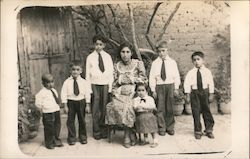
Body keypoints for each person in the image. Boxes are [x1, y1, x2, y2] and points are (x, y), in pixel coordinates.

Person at [105, 42, 148, 148]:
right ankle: (130, 133)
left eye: (127, 52)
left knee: (128, 107)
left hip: (134, 93)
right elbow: (114, 82)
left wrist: (131, 79)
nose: (125, 54)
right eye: (123, 52)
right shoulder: (117, 65)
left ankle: (127, 135)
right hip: (119, 94)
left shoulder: (138, 64)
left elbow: (144, 80)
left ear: (131, 53)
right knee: (115, 106)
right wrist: (116, 90)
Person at [149, 40, 181, 136]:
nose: (161, 53)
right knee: (160, 107)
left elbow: (176, 76)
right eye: (159, 51)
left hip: (170, 85)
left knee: (170, 107)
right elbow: (152, 77)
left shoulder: (172, 62)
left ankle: (170, 127)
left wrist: (176, 88)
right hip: (159, 86)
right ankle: (161, 127)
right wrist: (153, 90)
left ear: (167, 50)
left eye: (163, 50)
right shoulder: (155, 63)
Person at [85, 34, 114, 140]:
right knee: (96, 109)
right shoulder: (90, 58)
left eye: (100, 44)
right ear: (94, 45)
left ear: (104, 45)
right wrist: (89, 90)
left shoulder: (107, 57)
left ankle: (103, 130)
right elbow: (88, 75)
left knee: (104, 108)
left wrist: (110, 88)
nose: (98, 47)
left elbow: (111, 73)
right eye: (96, 44)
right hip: (95, 85)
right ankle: (96, 131)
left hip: (105, 85)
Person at [184, 51, 215, 140]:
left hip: (205, 92)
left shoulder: (207, 72)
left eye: (198, 59)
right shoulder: (191, 72)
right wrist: (187, 94)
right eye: (194, 60)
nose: (196, 62)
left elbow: (211, 83)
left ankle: (209, 129)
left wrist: (211, 94)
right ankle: (198, 131)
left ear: (203, 60)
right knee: (196, 112)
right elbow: (187, 84)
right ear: (192, 62)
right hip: (195, 93)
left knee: (207, 111)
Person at [61, 60, 91, 145]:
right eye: (73, 69)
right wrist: (65, 105)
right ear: (70, 70)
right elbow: (63, 93)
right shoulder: (67, 82)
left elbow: (87, 93)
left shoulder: (84, 82)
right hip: (71, 102)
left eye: (78, 70)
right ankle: (71, 138)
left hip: (81, 102)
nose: (75, 71)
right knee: (70, 121)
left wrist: (87, 104)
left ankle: (83, 137)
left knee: (82, 120)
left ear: (81, 71)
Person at [35, 73, 63, 149]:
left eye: (52, 82)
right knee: (49, 128)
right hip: (47, 113)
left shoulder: (54, 90)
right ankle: (49, 142)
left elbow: (56, 99)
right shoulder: (41, 93)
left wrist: (58, 106)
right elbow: (38, 104)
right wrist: (41, 111)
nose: (51, 84)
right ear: (43, 83)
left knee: (57, 126)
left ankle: (56, 140)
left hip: (56, 111)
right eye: (48, 82)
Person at [133, 82, 158, 148]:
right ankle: (144, 139)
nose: (141, 92)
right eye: (139, 90)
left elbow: (154, 107)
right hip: (140, 115)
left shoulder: (150, 99)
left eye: (143, 90)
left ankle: (154, 140)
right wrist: (136, 108)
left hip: (149, 114)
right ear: (136, 92)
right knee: (141, 122)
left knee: (151, 123)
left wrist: (146, 108)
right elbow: (135, 108)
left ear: (146, 91)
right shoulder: (135, 100)